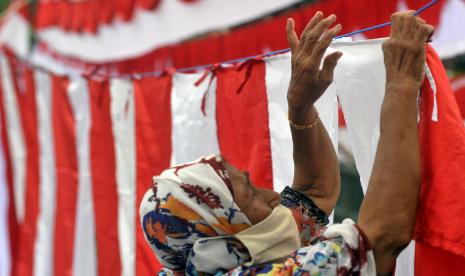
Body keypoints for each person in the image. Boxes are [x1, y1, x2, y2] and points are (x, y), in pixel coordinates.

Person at [139, 11, 434, 275]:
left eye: (252, 185)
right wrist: (402, 82)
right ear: (221, 237)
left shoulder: (209, 258)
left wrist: (300, 109)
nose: (274, 197)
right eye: (250, 197)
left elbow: (314, 194)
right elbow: (382, 238)